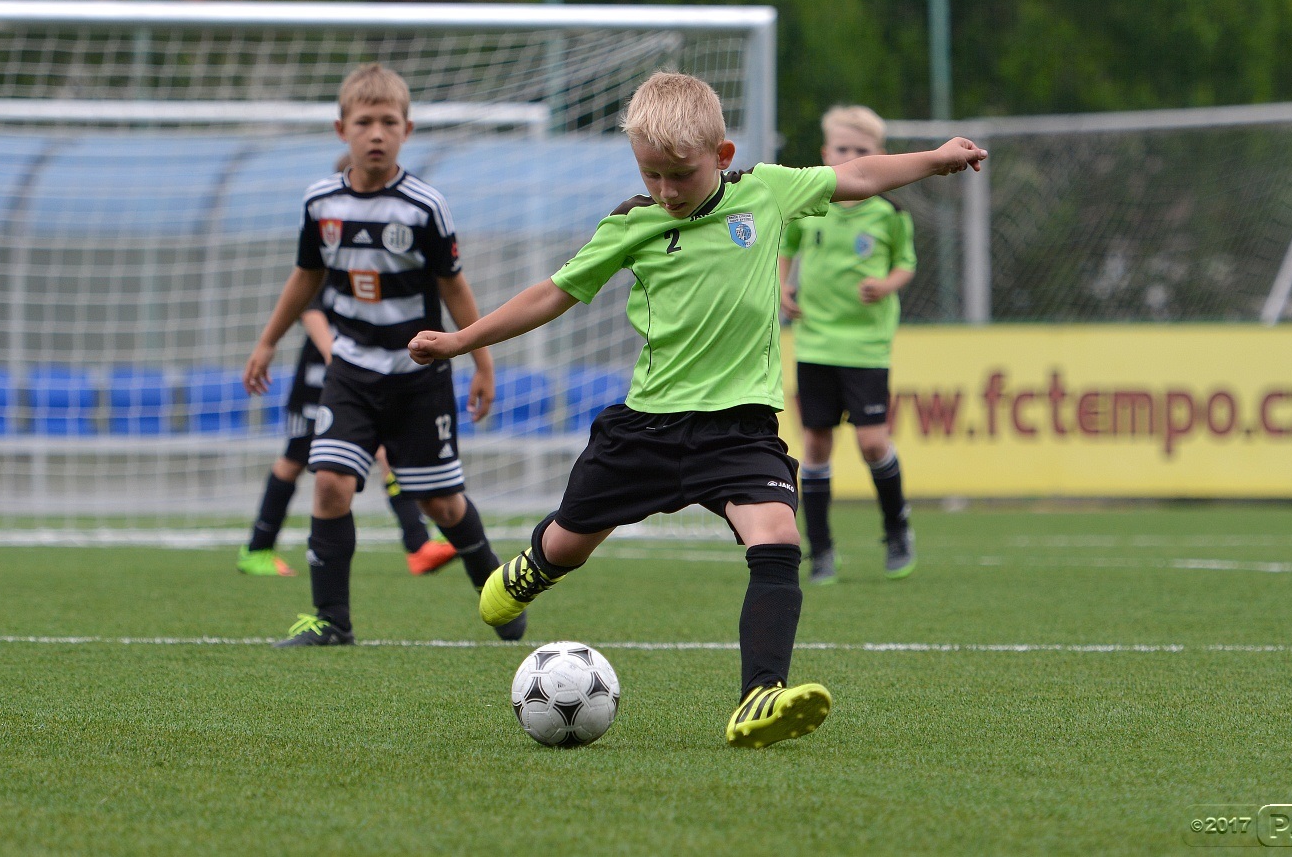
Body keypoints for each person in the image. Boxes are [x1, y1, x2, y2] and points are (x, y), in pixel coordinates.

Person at [408, 71, 985, 747]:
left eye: (680, 174)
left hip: (740, 429)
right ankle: (533, 566)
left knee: (778, 537)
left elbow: (857, 176)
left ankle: (759, 696)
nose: (666, 190)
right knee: (568, 542)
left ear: (722, 154)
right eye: (650, 174)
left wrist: (934, 159)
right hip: (648, 428)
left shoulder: (767, 193)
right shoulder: (633, 222)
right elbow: (553, 293)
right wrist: (463, 340)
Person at [244, 63, 522, 646]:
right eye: (365, 121)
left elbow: (453, 287)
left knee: (442, 505)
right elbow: (306, 275)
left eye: (389, 122)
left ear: (407, 130)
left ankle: (494, 587)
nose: (377, 133)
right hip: (349, 370)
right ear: (341, 128)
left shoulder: (424, 206)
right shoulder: (321, 202)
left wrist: (482, 361)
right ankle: (332, 622)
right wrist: (268, 341)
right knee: (329, 483)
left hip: (418, 375)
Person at [778, 105, 918, 585]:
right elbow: (786, 248)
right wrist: (784, 286)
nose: (851, 156)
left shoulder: (890, 213)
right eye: (842, 148)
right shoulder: (811, 205)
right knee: (816, 444)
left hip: (865, 346)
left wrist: (886, 284)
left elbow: (906, 263)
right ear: (826, 153)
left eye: (862, 150)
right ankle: (820, 550)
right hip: (815, 343)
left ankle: (897, 529)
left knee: (872, 442)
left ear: (878, 156)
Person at [235, 291, 458, 578]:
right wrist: (337, 359)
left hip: (362, 375)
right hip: (324, 375)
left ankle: (418, 545)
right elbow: (308, 306)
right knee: (295, 459)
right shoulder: (328, 266)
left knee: (385, 450)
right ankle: (257, 549)